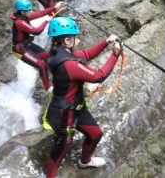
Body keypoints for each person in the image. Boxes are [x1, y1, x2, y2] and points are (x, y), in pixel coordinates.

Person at [44, 17, 122, 178]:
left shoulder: (59, 53)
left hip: (76, 107)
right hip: (64, 114)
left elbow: (85, 54)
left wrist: (106, 42)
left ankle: (85, 161)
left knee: (95, 134)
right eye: (76, 37)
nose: (79, 39)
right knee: (62, 149)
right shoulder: (68, 64)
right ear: (66, 40)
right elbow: (98, 76)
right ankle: (50, 175)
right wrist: (115, 55)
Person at [10, 0, 64, 91]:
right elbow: (36, 31)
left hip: (28, 45)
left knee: (48, 57)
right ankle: (49, 88)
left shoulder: (24, 16)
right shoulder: (20, 22)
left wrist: (54, 8)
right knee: (41, 64)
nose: (30, 12)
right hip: (20, 50)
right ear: (22, 12)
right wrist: (46, 21)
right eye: (28, 10)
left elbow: (39, 14)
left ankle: (58, 76)